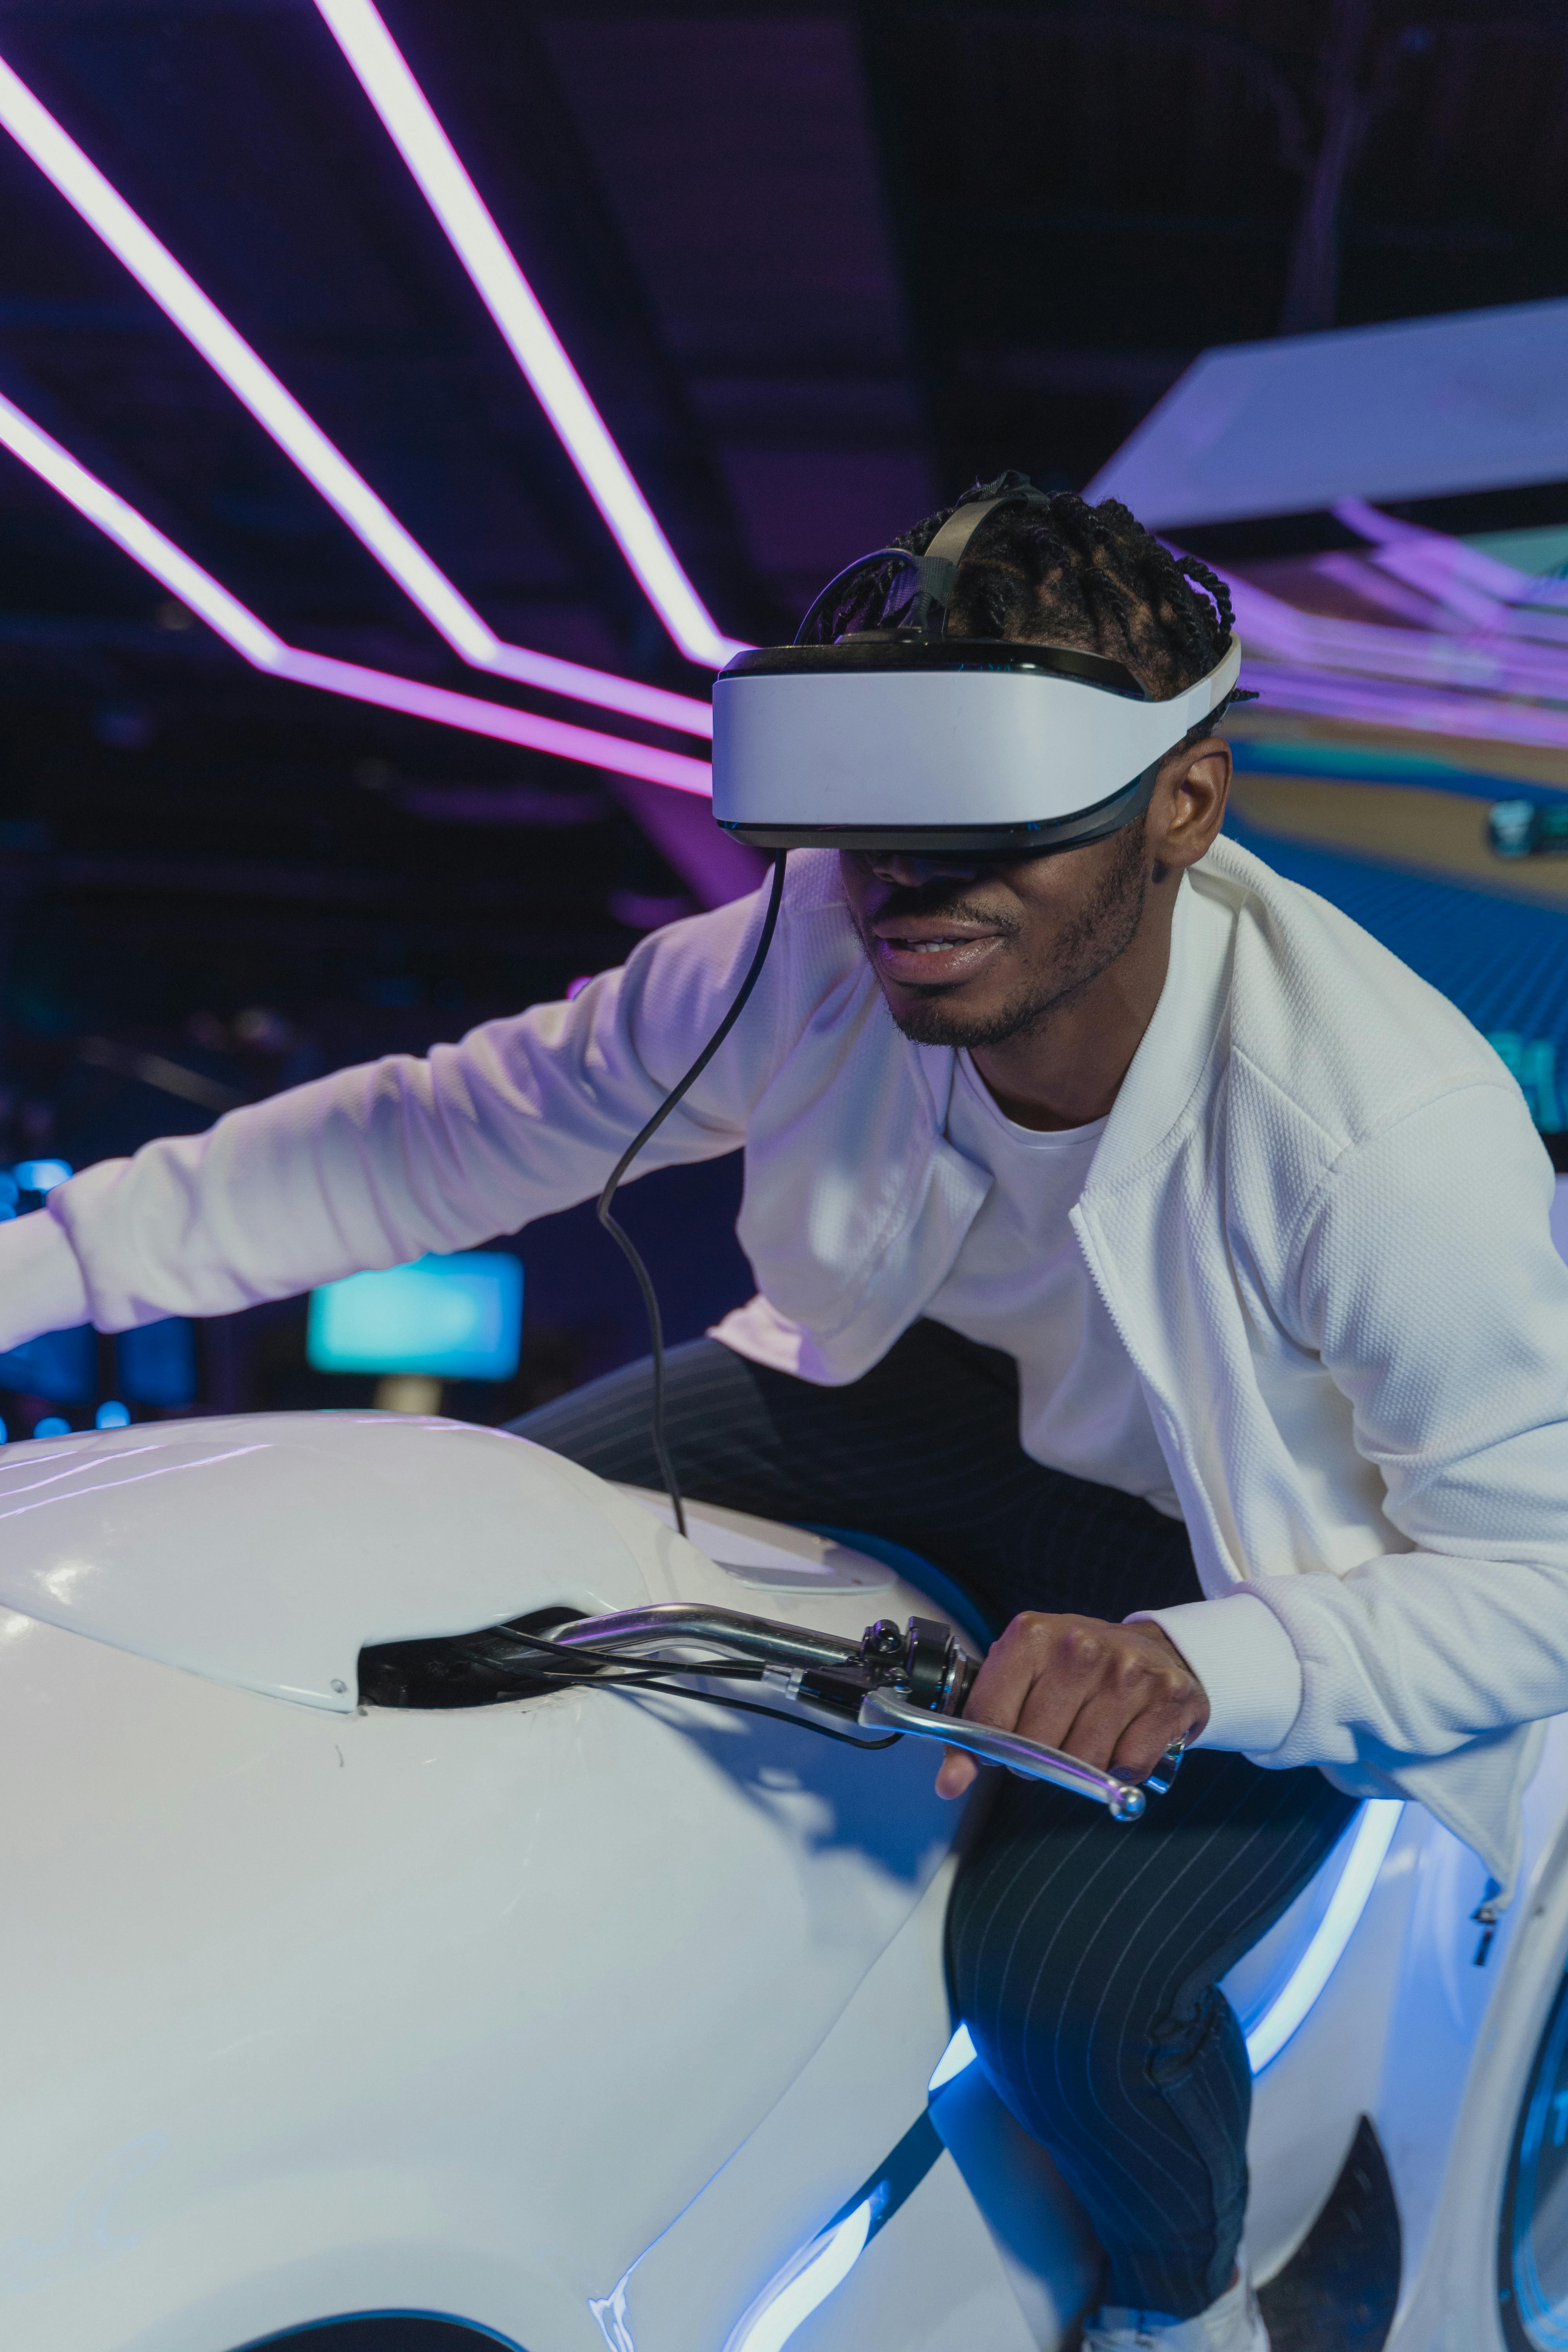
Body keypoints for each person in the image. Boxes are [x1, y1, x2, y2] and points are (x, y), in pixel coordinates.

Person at [7, 478, 1568, 2352]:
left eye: (994, 827)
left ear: (1184, 804)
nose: (913, 887)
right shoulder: (806, 948)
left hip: (1218, 1545)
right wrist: (39, 1268)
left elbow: (1542, 1575)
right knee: (414, 1584)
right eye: (873, 825)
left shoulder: (1377, 1127)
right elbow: (433, 1136)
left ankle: (1183, 2302)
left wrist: (1208, 1663)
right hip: (863, 1397)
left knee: (1059, 1985)